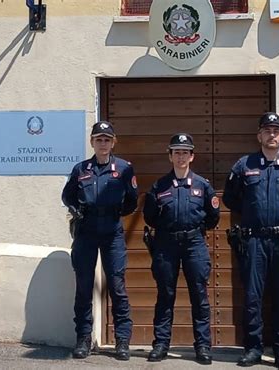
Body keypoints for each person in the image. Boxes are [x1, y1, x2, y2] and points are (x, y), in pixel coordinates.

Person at [222, 112, 279, 369]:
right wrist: (255, 214)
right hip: (254, 242)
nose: (271, 135)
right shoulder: (244, 165)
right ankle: (253, 349)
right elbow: (231, 199)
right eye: (267, 130)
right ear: (259, 135)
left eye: (276, 131)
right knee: (252, 296)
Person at [62, 121, 138, 361]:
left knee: (116, 284)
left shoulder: (124, 168)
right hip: (86, 231)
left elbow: (132, 201)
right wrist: (79, 211)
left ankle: (122, 340)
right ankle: (84, 337)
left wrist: (113, 214)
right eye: (99, 139)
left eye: (107, 139)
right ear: (92, 142)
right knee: (84, 285)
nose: (103, 143)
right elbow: (68, 196)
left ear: (113, 142)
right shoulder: (80, 169)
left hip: (112, 231)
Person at [143, 133, 220, 365]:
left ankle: (203, 346)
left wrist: (193, 231)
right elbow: (150, 216)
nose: (181, 157)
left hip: (194, 244)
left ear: (192, 156)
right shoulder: (159, 187)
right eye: (176, 152)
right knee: (165, 295)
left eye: (185, 152)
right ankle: (161, 344)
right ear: (170, 156)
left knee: (199, 296)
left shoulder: (203, 186)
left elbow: (213, 217)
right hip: (166, 244)